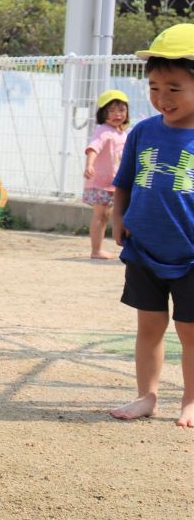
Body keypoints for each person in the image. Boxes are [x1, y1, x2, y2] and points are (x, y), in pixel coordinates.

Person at [110, 23, 194, 428]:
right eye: (155, 87)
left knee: (190, 331)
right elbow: (123, 184)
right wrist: (117, 217)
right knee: (149, 326)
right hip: (143, 248)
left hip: (191, 253)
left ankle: (190, 401)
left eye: (174, 89)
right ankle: (147, 396)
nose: (162, 98)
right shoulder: (142, 131)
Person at [83, 90, 130, 259]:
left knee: (111, 215)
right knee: (101, 215)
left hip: (115, 183)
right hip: (100, 182)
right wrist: (89, 165)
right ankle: (96, 251)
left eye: (122, 110)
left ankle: (115, 248)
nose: (118, 114)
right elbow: (93, 148)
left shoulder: (122, 133)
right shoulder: (103, 131)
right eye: (112, 110)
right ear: (103, 113)